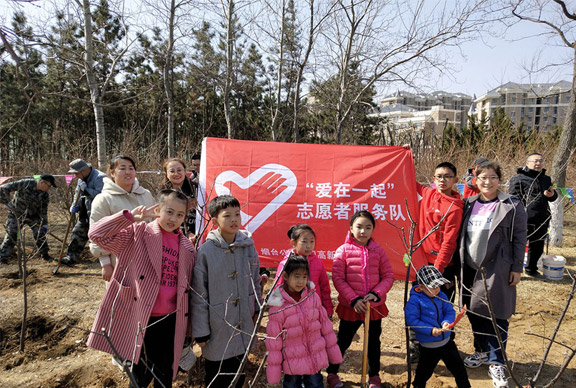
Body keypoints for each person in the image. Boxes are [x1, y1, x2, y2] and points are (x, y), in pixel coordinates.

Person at [86, 190, 196, 388]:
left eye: (180, 215)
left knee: (165, 373)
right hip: (142, 317)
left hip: (171, 319)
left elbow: (188, 289)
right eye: (169, 211)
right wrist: (127, 218)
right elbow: (96, 234)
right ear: (158, 209)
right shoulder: (137, 233)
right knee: (140, 374)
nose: (173, 218)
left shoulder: (187, 247)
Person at [458, 162, 526, 388]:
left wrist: (517, 267)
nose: (487, 182)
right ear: (475, 181)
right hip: (469, 267)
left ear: (500, 179)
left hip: (498, 267)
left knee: (497, 315)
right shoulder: (467, 203)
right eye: (483, 178)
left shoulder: (512, 204)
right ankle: (482, 351)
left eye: (493, 177)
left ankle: (497, 362)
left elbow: (519, 237)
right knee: (474, 312)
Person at [191, 195, 261, 388]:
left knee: (239, 371)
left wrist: (255, 309)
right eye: (227, 215)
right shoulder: (206, 252)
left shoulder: (248, 246)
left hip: (243, 318)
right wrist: (201, 331)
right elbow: (198, 294)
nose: (234, 220)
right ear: (215, 221)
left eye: (237, 214)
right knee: (217, 374)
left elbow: (255, 280)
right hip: (217, 323)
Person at [326, 210, 395, 388]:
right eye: (359, 227)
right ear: (351, 228)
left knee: (373, 342)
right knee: (343, 340)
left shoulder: (378, 251)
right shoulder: (343, 251)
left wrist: (376, 294)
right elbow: (338, 279)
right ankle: (332, 373)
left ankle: (374, 376)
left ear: (373, 230)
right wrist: (354, 300)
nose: (363, 231)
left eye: (368, 227)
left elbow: (388, 276)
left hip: (373, 307)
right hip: (352, 307)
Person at [266, 254, 342, 387]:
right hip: (292, 360)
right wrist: (274, 373)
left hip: (314, 356)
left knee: (315, 384)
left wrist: (334, 353)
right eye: (296, 276)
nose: (301, 281)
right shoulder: (278, 305)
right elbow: (274, 341)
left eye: (304, 276)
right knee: (292, 385)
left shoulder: (313, 297)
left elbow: (326, 327)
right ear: (285, 276)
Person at [89, 155, 155, 281]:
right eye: (122, 168)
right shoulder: (103, 199)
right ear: (112, 173)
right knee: (122, 295)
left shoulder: (146, 194)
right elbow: (97, 234)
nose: (128, 172)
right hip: (118, 259)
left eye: (131, 168)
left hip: (147, 256)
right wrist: (105, 264)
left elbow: (154, 223)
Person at [405, 265, 471, 388]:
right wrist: (430, 330)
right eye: (433, 287)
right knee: (423, 373)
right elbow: (412, 320)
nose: (437, 289)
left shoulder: (442, 295)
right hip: (428, 347)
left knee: (459, 370)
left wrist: (446, 322)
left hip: (447, 343)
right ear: (421, 287)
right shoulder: (415, 301)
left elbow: (449, 311)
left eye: (438, 286)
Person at [415, 161, 464, 301]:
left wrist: (437, 270)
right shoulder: (427, 194)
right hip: (422, 262)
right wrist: (407, 156)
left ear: (455, 180)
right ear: (433, 179)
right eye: (439, 176)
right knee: (421, 306)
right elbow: (410, 179)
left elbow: (449, 243)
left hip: (441, 266)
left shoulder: (454, 209)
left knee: (443, 306)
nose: (442, 180)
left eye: (447, 176)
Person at [509, 153, 558, 277]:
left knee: (537, 245)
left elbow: (554, 197)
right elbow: (513, 199)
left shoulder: (546, 179)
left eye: (541, 161)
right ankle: (513, 270)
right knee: (517, 245)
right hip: (523, 218)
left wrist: (551, 195)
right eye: (535, 161)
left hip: (541, 218)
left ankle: (531, 269)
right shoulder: (519, 178)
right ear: (527, 163)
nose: (538, 164)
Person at [273, 224, 333, 317]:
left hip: (314, 310)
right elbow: (278, 286)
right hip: (291, 311)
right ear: (293, 243)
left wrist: (328, 309)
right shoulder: (286, 263)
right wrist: (277, 312)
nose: (309, 246)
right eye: (304, 242)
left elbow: (325, 287)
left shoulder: (318, 263)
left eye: (312, 241)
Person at [0, 174, 57, 264]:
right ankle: (2, 257)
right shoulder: (25, 183)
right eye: (49, 186)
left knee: (39, 234)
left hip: (33, 216)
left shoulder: (45, 195)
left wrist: (44, 224)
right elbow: (3, 188)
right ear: (42, 182)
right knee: (12, 234)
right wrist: (7, 203)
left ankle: (45, 254)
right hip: (16, 214)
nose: (49, 188)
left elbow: (43, 210)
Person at [61, 159, 106, 266]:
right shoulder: (81, 179)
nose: (75, 176)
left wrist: (86, 190)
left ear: (84, 170)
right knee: (77, 233)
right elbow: (78, 192)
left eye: (76, 173)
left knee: (100, 237)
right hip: (84, 211)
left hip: (98, 213)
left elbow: (101, 195)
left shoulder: (100, 178)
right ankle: (71, 257)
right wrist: (74, 205)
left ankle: (106, 260)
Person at [160, 158, 198, 237]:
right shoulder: (164, 193)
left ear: (184, 171)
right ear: (166, 173)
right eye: (172, 171)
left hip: (197, 232)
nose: (176, 174)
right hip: (172, 234)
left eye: (179, 170)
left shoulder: (196, 189)